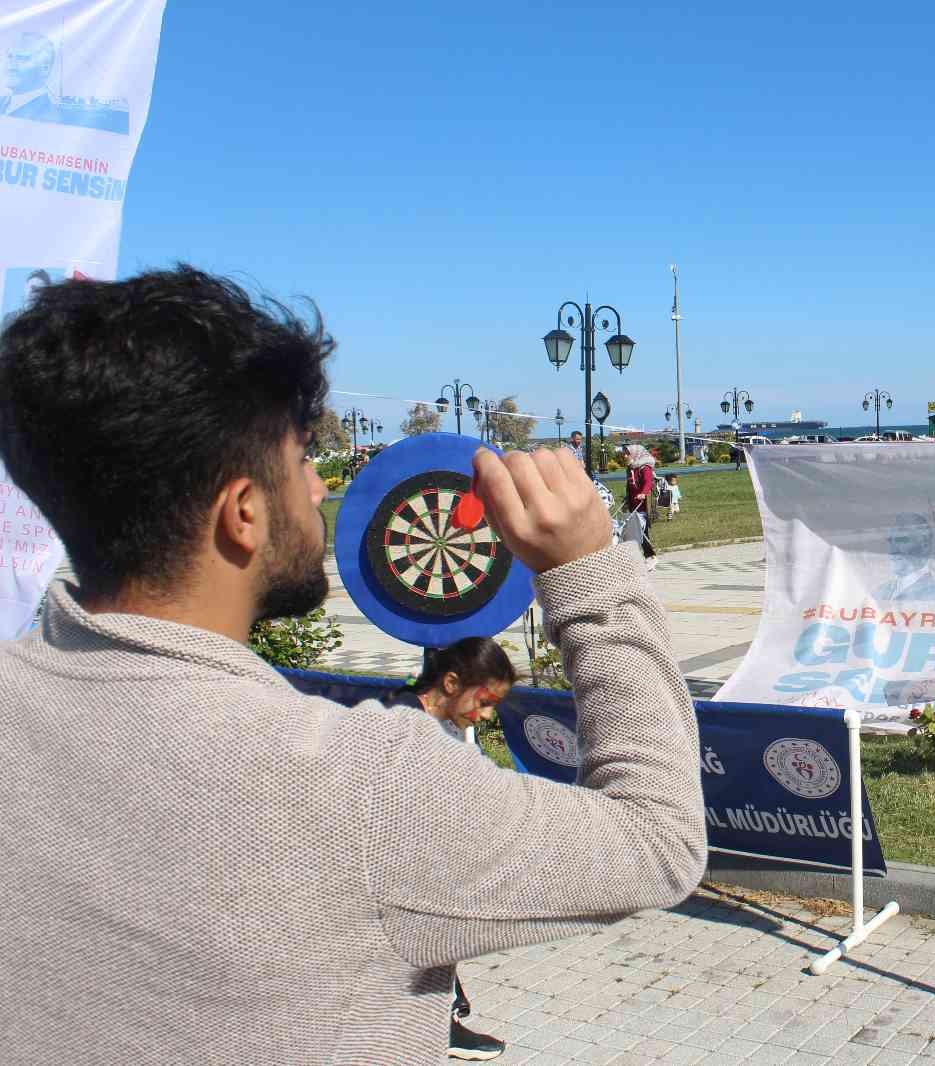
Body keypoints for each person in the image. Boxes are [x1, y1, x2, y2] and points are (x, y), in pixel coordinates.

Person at [0, 267, 706, 1063]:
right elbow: (658, 842)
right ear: (243, 514)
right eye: (303, 459)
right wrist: (588, 573)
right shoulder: (360, 785)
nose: (320, 486)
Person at [386, 637, 516, 1061]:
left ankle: (439, 1020)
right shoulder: (404, 720)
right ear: (451, 682)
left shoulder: (439, 723)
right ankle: (435, 1027)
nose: (486, 714)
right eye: (483, 700)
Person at [622, 443, 657, 570]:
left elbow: (648, 482)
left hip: (643, 505)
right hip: (633, 504)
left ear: (635, 453)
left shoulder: (644, 467)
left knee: (642, 532)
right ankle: (640, 558)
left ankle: (651, 557)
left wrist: (643, 493)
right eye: (624, 453)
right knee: (633, 532)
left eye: (627, 453)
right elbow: (630, 486)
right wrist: (627, 499)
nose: (625, 456)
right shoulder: (631, 467)